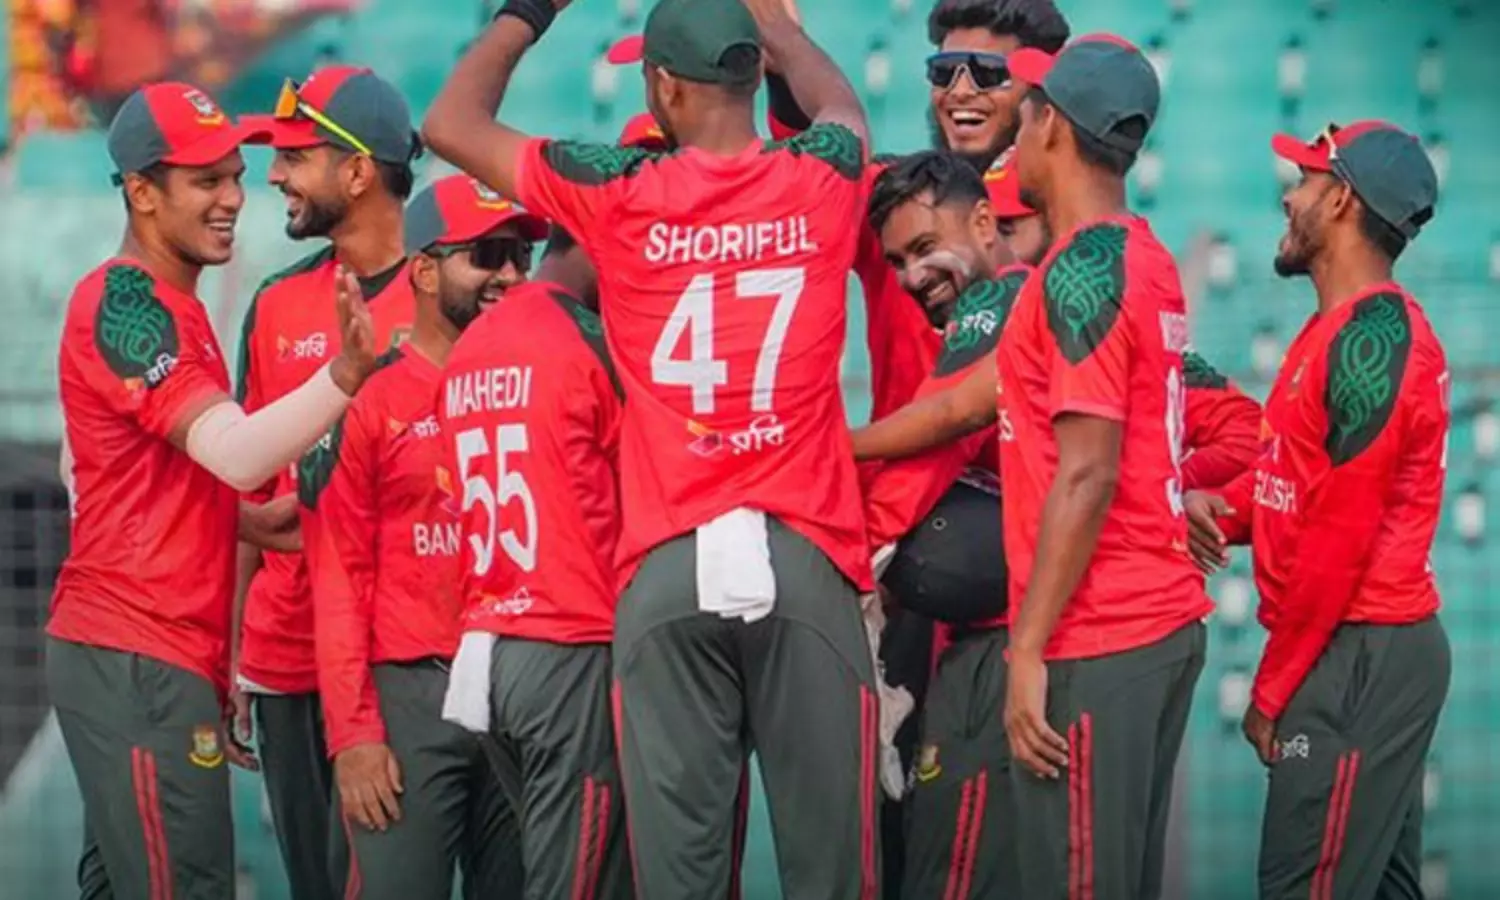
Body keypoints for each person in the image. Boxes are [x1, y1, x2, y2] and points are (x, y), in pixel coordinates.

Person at [422, 0, 881, 895]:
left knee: (677, 877)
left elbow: (449, 123)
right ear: (750, 74)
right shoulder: (823, 172)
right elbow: (844, 112)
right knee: (835, 872)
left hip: (666, 562)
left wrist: (527, 14)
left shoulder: (622, 191)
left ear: (663, 86)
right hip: (805, 551)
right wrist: (783, 31)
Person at [859, 148, 1260, 899]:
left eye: (1017, 224)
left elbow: (944, 432)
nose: (914, 275)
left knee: (959, 875)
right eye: (898, 260)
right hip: (1099, 634)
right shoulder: (1112, 304)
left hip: (1025, 644)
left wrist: (836, 502)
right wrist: (1168, 492)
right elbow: (1243, 429)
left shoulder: (1008, 300)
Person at [48, 81, 379, 900]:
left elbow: (112, 476)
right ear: (141, 192)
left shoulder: (172, 305)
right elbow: (233, 454)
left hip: (147, 656)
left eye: (235, 176)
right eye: (206, 180)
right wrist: (345, 375)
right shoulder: (124, 298)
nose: (234, 197)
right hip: (137, 655)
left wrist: (258, 523)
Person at [1187, 120, 1450, 900]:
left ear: (1340, 201)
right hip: (1358, 648)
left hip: (1361, 652)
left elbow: (1337, 543)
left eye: (1304, 180)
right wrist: (1214, 510)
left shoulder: (1376, 341)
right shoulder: (1333, 330)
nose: (1289, 196)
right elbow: (1291, 486)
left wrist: (1271, 691)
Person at [298, 174, 539, 899]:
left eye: (520, 257)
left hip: (517, 691)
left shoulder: (542, 382)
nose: (508, 275)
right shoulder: (368, 396)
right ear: (425, 272)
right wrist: (354, 734)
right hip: (408, 698)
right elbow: (337, 571)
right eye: (487, 255)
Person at [230, 64, 428, 900]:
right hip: (290, 656)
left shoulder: (453, 292)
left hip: (412, 656)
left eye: (294, 156)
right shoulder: (276, 302)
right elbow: (247, 493)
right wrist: (231, 656)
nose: (275, 175)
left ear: (356, 171)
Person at [439, 220, 631, 899]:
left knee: (568, 869)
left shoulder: (470, 345)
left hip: (494, 647)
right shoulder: (588, 339)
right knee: (578, 880)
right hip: (572, 641)